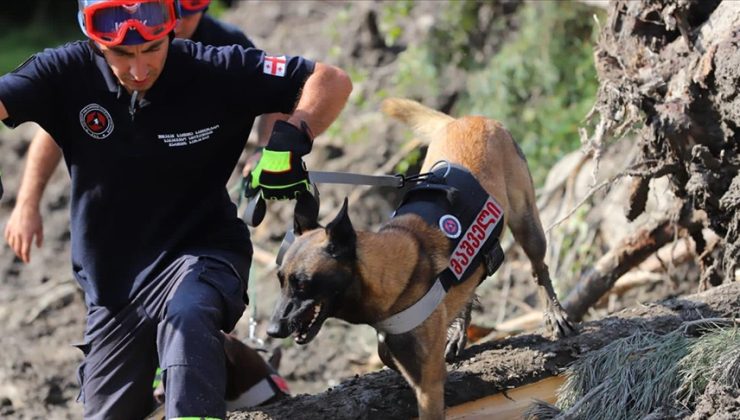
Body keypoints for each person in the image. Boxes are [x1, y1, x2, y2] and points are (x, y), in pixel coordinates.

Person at [0, 0, 352, 419]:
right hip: (113, 285)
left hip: (202, 250)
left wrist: (290, 139)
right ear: (94, 42)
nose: (138, 69)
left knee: (187, 314)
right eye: (122, 55)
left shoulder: (216, 66)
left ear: (168, 32)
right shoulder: (63, 71)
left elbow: (330, 80)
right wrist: (26, 201)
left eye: (152, 49)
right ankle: (236, 374)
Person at [4, 0, 280, 264]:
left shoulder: (225, 48)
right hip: (113, 216)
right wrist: (27, 202)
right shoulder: (91, 63)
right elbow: (56, 126)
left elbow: (278, 92)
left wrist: (266, 148)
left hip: (193, 210)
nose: (178, 22)